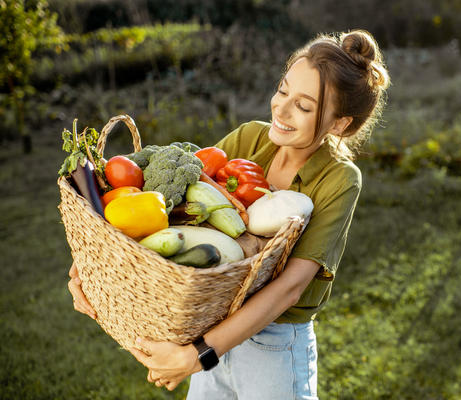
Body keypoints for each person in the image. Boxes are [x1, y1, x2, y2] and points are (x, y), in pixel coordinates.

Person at [68, 29, 390, 399]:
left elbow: (290, 288)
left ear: (339, 123)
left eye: (303, 106)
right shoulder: (250, 138)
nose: (281, 110)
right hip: (213, 323)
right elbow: (165, 210)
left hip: (273, 346)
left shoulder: (339, 179)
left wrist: (197, 356)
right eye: (283, 90)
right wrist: (91, 268)